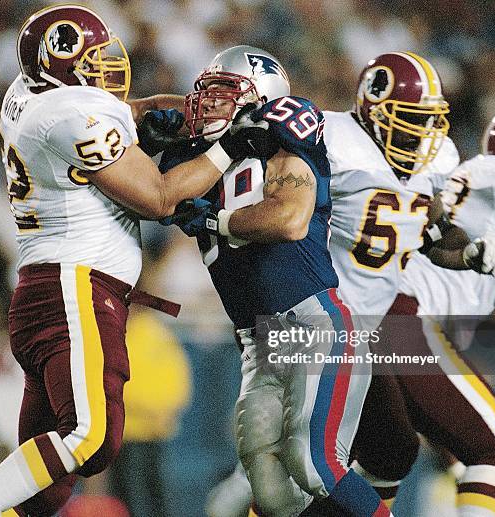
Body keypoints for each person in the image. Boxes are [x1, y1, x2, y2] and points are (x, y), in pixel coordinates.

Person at [0, 5, 279, 517]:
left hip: (48, 289)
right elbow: (158, 198)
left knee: (46, 486)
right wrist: (229, 146)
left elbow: (115, 112)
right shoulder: (69, 114)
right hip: (75, 288)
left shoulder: (28, 95)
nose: (106, 67)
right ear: (61, 64)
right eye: (92, 60)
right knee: (91, 438)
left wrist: (162, 111)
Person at [157, 45, 394, 517]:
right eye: (207, 93)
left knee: (316, 464)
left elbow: (289, 218)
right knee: (269, 488)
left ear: (258, 99)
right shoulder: (192, 160)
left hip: (312, 321)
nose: (209, 103)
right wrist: (145, 127)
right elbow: (151, 195)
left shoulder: (284, 137)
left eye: (224, 93)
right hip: (257, 343)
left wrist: (216, 221)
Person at [354, 111, 495, 517]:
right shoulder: (485, 191)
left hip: (373, 324)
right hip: (400, 321)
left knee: (385, 459)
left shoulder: (469, 192)